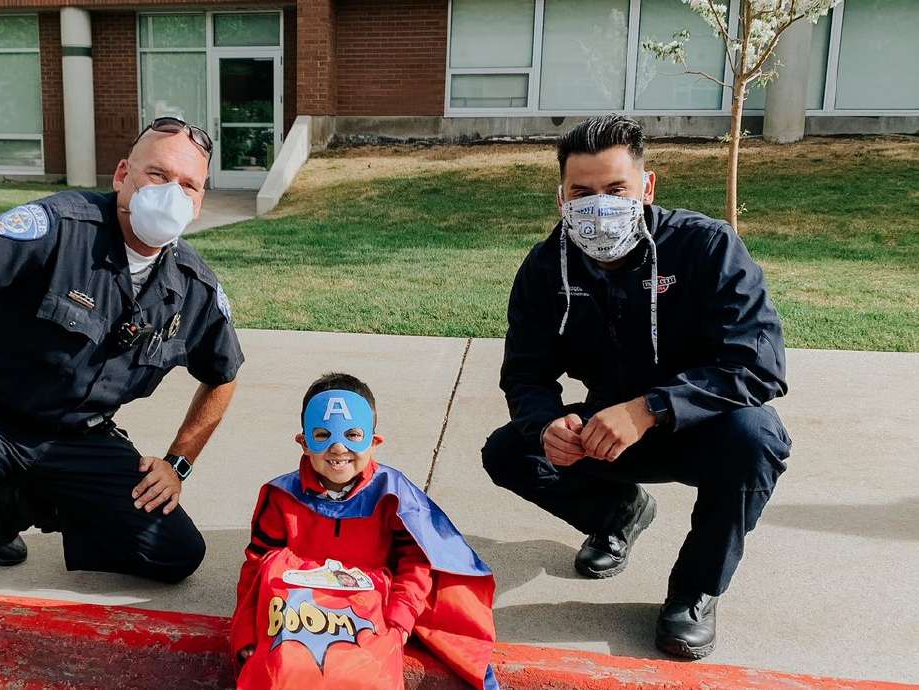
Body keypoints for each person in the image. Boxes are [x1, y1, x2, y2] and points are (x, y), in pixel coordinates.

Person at [0, 117, 243, 689]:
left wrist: (177, 463)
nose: (170, 194)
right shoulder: (58, 226)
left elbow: (223, 374)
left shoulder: (192, 287)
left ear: (199, 204)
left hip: (75, 436)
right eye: (157, 174)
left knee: (176, 552)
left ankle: (14, 502)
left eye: (188, 185)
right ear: (123, 175)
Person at [481, 114, 791, 660]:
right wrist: (547, 421)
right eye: (582, 192)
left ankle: (695, 592)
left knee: (758, 438)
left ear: (646, 187)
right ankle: (617, 514)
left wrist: (652, 408)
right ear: (562, 197)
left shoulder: (707, 247)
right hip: (605, 435)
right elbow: (525, 373)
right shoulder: (544, 268)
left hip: (703, 428)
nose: (598, 206)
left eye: (615, 189)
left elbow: (758, 365)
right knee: (509, 450)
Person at [232, 373, 499, 690]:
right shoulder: (282, 497)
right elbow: (257, 569)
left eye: (353, 435)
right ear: (304, 443)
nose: (338, 447)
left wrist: (400, 623)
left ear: (374, 442)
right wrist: (245, 630)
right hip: (296, 615)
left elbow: (417, 564)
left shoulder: (395, 496)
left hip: (371, 613)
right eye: (322, 435)